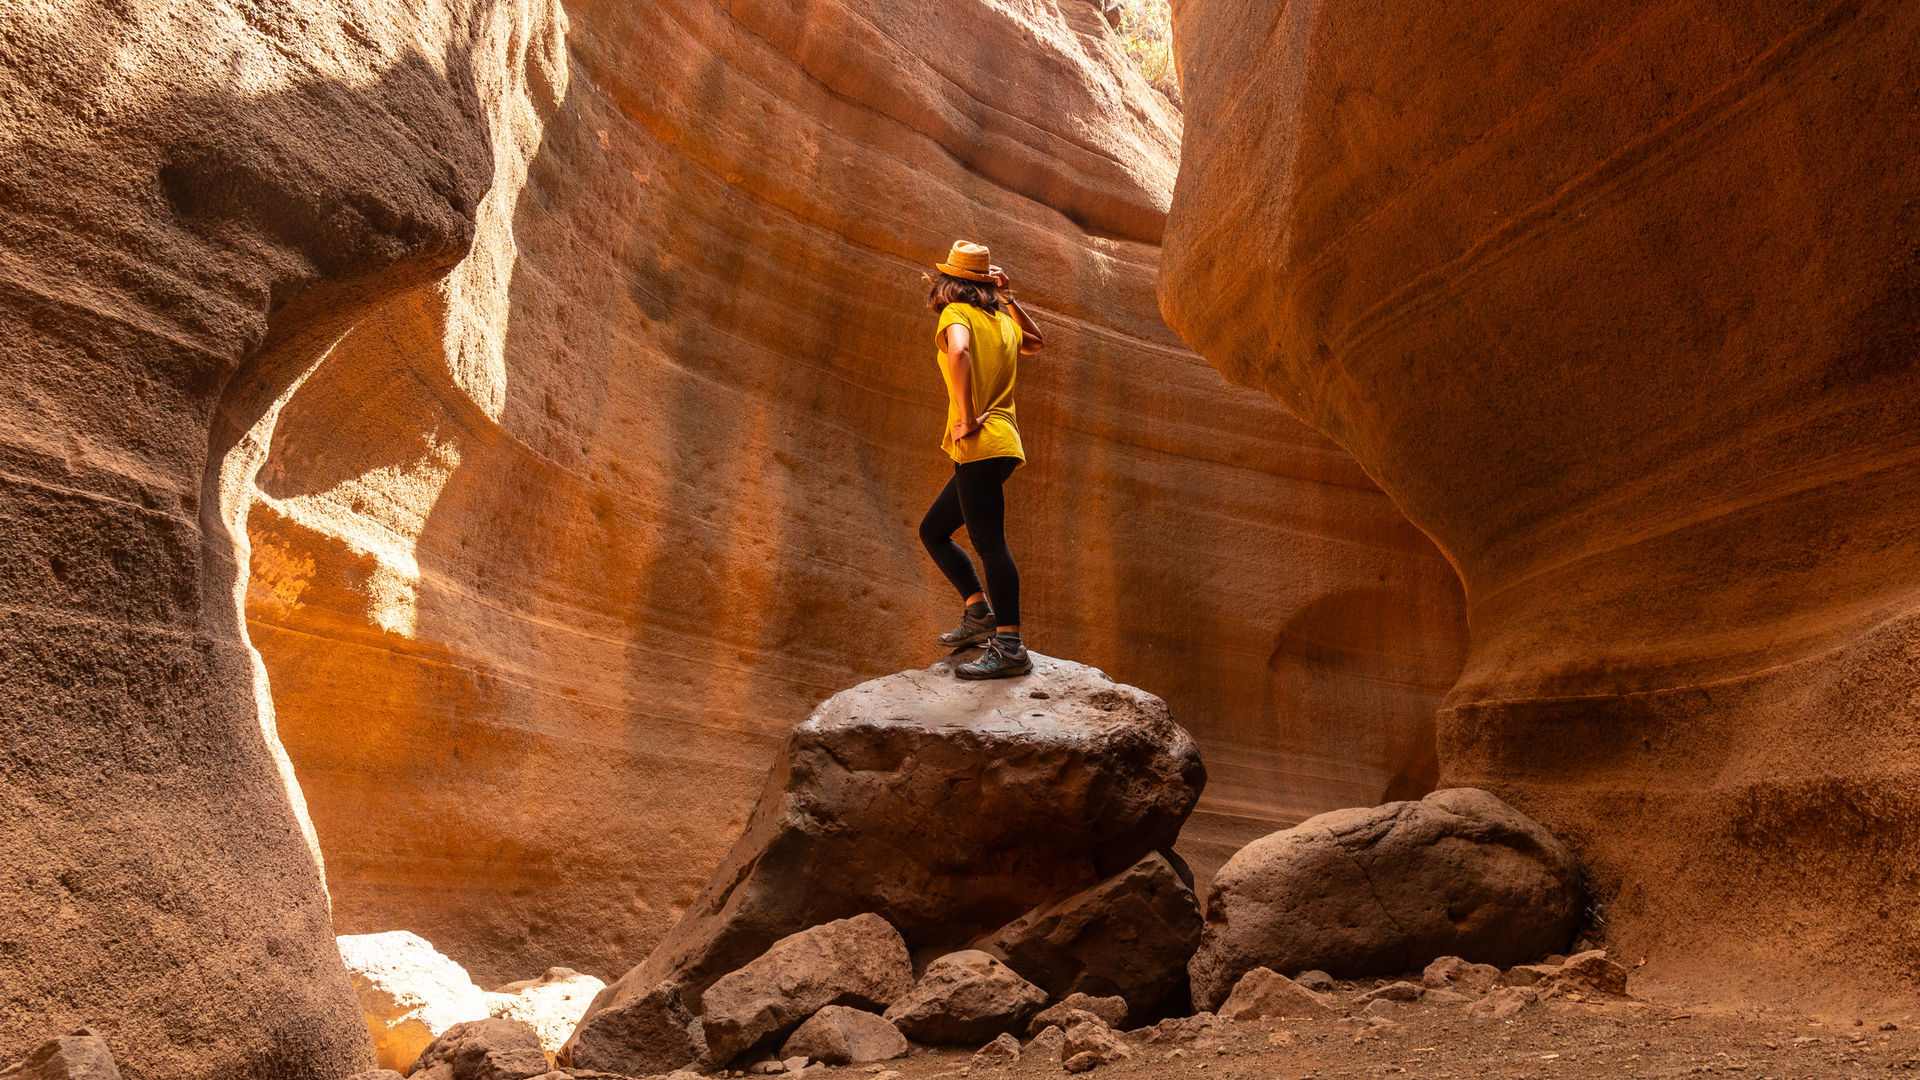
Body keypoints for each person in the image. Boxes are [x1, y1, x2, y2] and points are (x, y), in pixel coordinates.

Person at [917, 240, 1046, 679]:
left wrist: (967, 418)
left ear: (950, 281)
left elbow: (959, 351)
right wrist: (1009, 298)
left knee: (990, 543)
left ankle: (1010, 647)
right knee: (934, 530)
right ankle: (978, 615)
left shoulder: (957, 315)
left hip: (980, 444)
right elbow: (1037, 342)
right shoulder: (1005, 323)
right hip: (1003, 444)